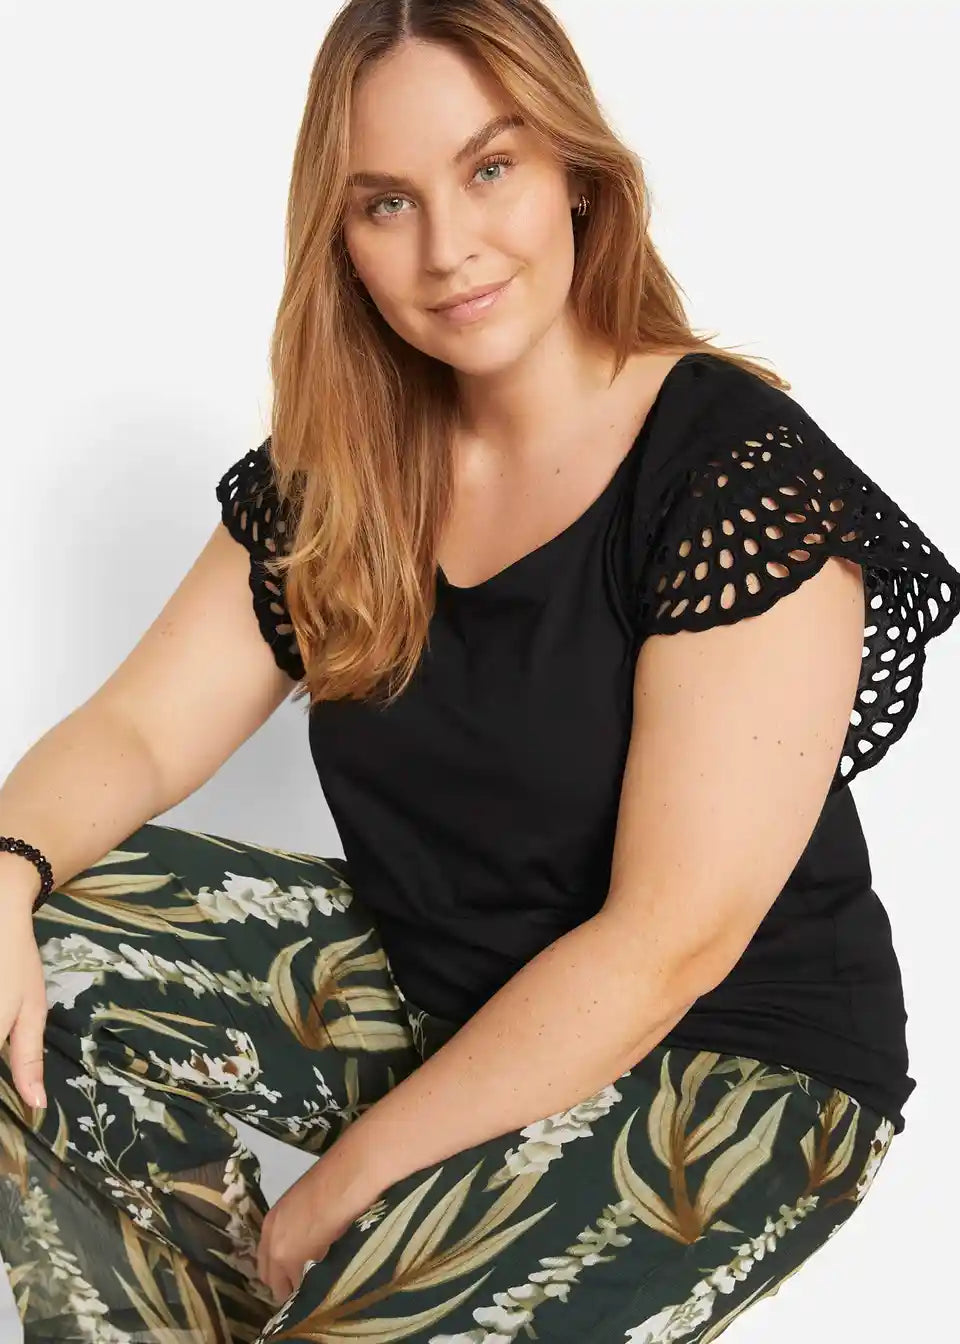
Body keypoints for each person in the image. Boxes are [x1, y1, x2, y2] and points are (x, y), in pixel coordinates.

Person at [1, 1, 958, 1340]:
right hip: (440, 993)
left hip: (728, 1063)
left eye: (490, 168)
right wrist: (7, 869)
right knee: (20, 948)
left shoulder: (730, 470)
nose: (447, 246)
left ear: (578, 174)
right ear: (339, 238)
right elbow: (142, 733)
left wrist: (348, 1185)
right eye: (386, 203)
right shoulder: (344, 472)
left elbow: (668, 943)